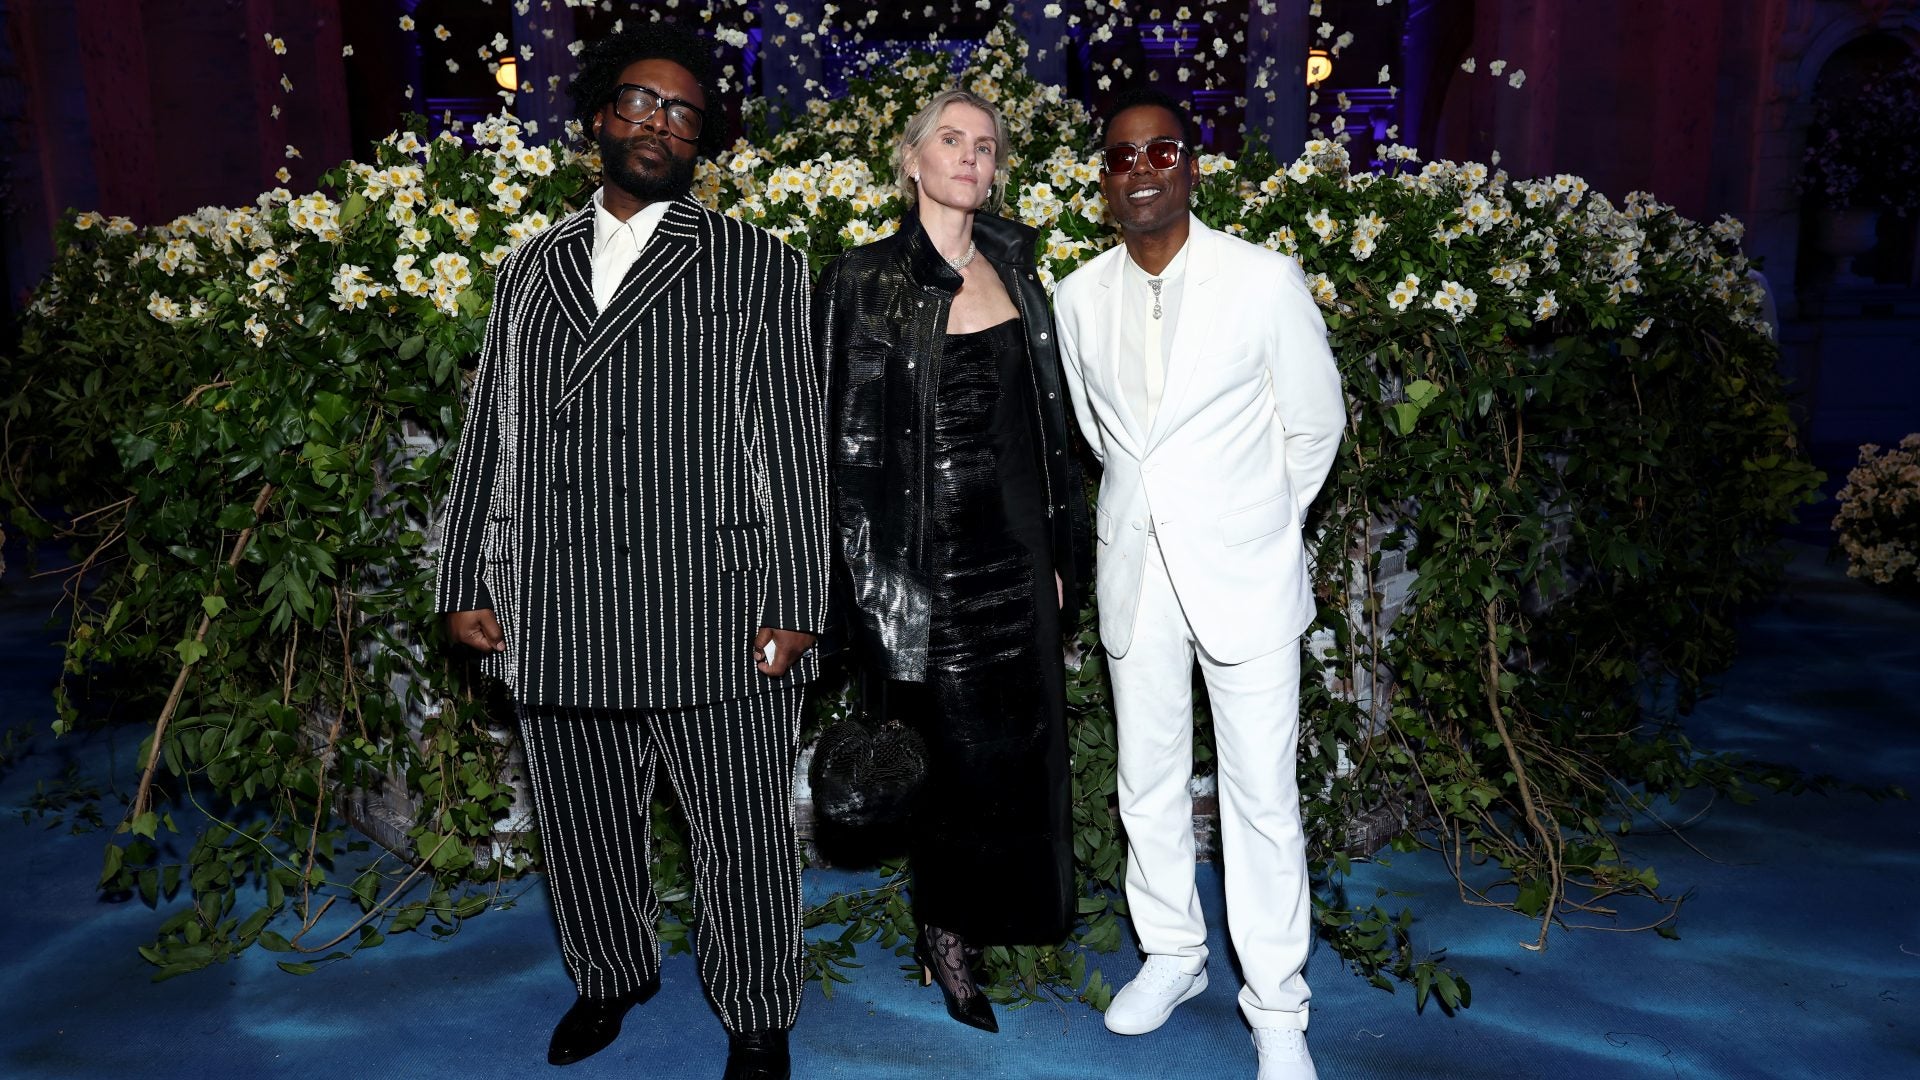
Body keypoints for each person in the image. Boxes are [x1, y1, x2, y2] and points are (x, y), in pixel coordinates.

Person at [434, 24, 828, 1080]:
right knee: (581, 821)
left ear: (703, 142)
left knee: (741, 831)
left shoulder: (758, 264)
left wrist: (796, 602)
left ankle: (757, 1012)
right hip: (556, 592)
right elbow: (492, 431)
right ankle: (610, 976)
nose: (659, 122)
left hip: (711, 601)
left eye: (683, 112)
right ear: (601, 117)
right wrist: (464, 575)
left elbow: (792, 446)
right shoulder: (530, 267)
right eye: (641, 102)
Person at [1052, 88, 1345, 1080]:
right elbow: (1104, 439)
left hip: (1245, 574)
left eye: (1160, 151)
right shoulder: (1076, 296)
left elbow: (1315, 426)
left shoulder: (1263, 280)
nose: (1141, 170)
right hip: (1137, 570)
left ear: (1192, 166)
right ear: (1104, 181)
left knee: (1261, 796)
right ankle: (1173, 955)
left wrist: (1253, 522)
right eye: (1121, 157)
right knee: (1147, 781)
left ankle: (1278, 1004)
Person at [814, 88, 1086, 1033]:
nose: (970, 156)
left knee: (1021, 749)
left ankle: (1003, 910)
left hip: (1016, 552)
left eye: (985, 145)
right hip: (920, 565)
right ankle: (944, 933)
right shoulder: (861, 278)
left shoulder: (1017, 266)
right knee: (946, 759)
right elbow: (840, 446)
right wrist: (860, 585)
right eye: (950, 140)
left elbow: (1040, 430)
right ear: (912, 160)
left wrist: (1056, 550)